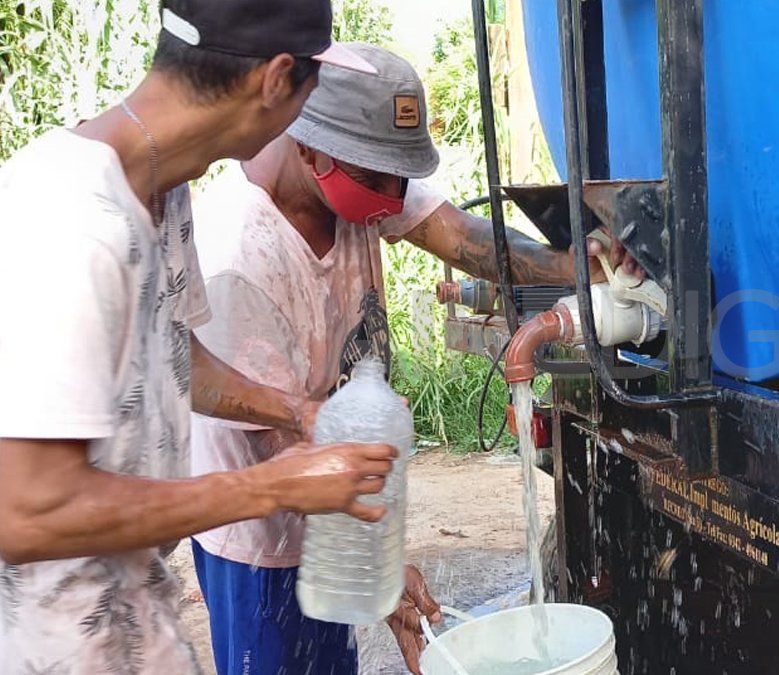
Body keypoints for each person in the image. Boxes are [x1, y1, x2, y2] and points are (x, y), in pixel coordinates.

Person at [0, 2, 413, 673]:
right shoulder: (71, 223)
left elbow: (173, 356)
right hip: (54, 647)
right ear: (277, 80)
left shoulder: (163, 188)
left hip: (136, 615)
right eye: (312, 85)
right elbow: (26, 513)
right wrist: (270, 487)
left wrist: (298, 412)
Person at [189, 43, 616, 675]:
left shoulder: (357, 175)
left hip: (327, 483)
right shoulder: (240, 260)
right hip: (261, 539)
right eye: (379, 182)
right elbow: (285, 457)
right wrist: (378, 570)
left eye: (403, 180)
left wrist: (581, 266)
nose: (395, 199)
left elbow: (467, 240)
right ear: (310, 150)